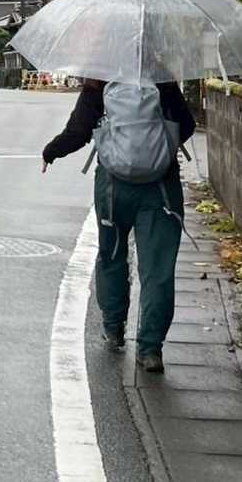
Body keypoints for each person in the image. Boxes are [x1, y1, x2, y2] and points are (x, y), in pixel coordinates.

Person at [41, 78, 196, 373]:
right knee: (157, 269)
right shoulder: (161, 80)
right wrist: (156, 147)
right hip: (161, 187)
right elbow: (186, 126)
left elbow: (78, 132)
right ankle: (150, 349)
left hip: (113, 186)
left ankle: (113, 327)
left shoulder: (99, 79)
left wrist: (51, 151)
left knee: (111, 255)